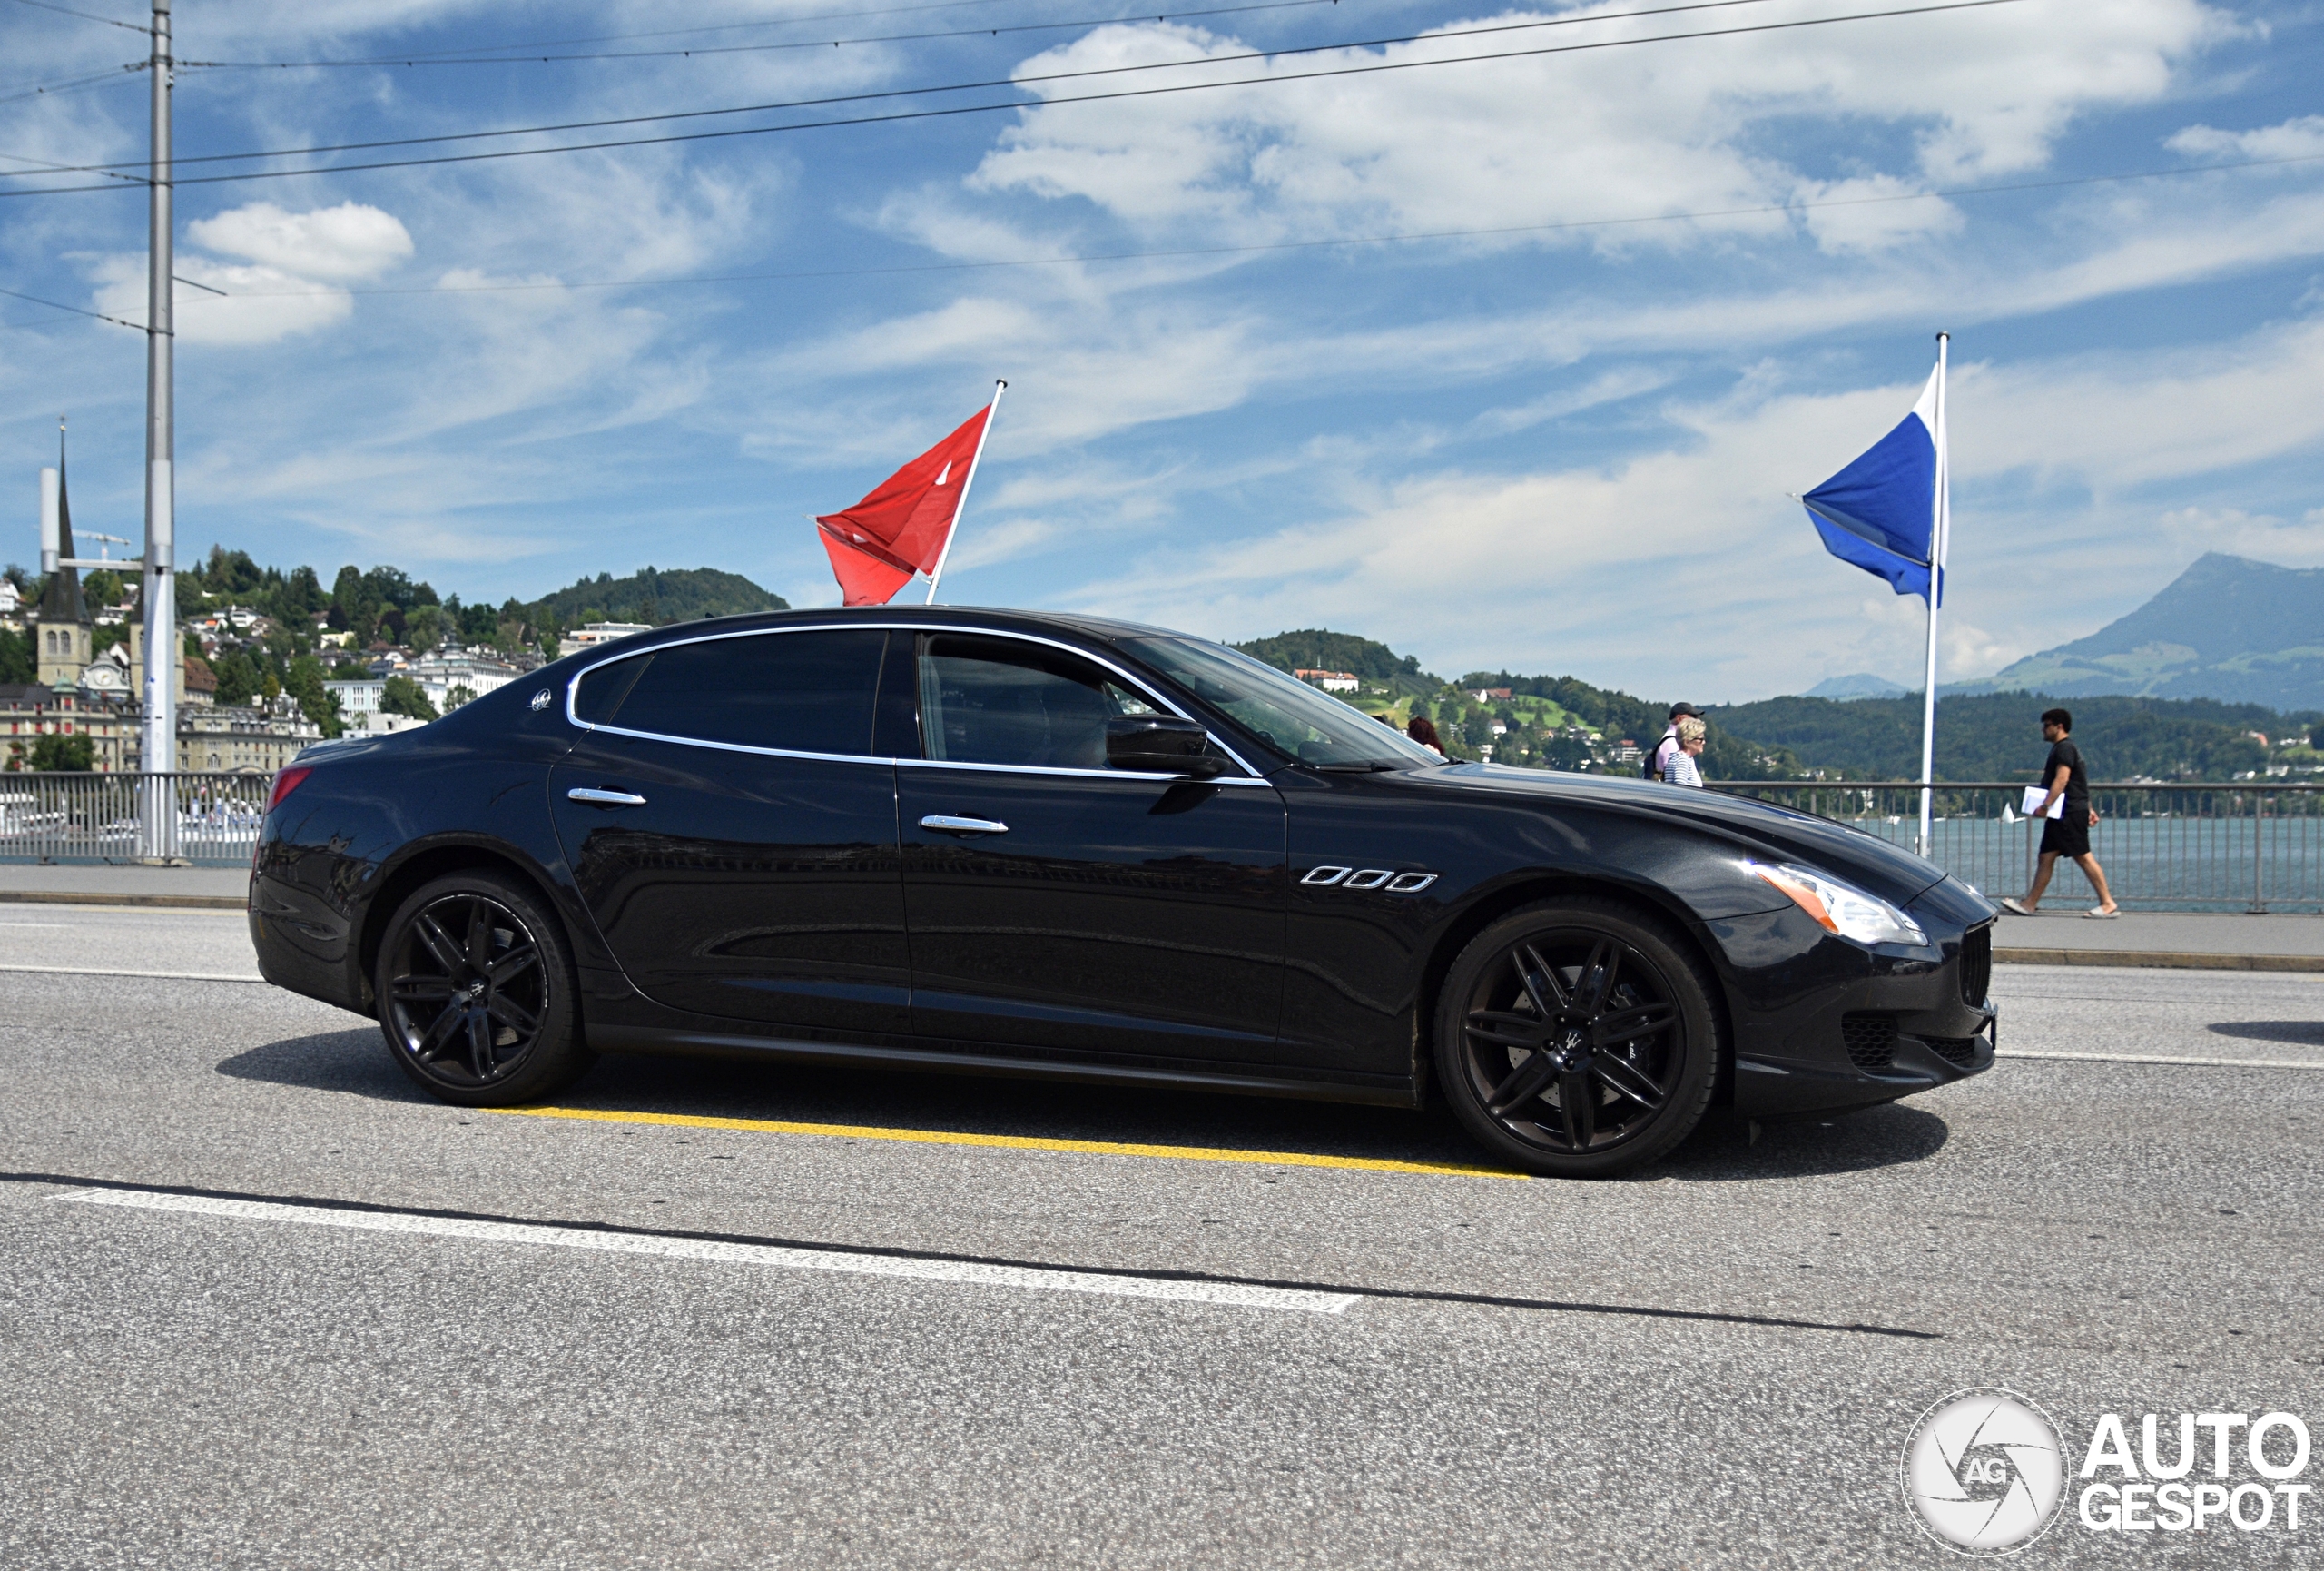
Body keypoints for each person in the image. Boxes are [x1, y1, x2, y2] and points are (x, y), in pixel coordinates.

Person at [2000, 707, 2119, 918]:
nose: (2043, 730)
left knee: (2083, 857)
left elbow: (2063, 779)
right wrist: (2089, 808)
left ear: (2059, 726)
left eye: (2046, 726)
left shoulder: (2064, 749)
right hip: (2065, 812)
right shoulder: (2064, 748)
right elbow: (2079, 783)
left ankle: (2107, 903)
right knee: (2046, 857)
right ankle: (2030, 903)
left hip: (2068, 813)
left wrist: (2046, 805)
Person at [1649, 702, 1702, 781]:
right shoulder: (1673, 742)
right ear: (1679, 718)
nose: (1697, 720)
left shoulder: (1671, 739)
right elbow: (1674, 780)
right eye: (1693, 717)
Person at [1664, 716, 1708, 786]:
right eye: (1701, 739)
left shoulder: (1675, 758)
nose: (1704, 742)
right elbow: (1680, 789)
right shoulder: (1682, 760)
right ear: (1687, 742)